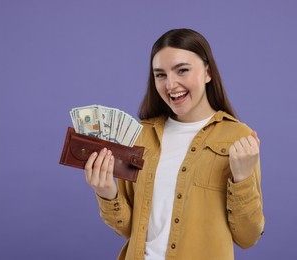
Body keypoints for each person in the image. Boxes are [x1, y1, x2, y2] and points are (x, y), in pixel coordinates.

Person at [84, 28, 265, 259]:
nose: (171, 85)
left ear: (208, 72)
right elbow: (130, 229)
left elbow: (248, 238)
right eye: (160, 75)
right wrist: (107, 192)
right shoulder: (141, 135)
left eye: (182, 70)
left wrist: (242, 179)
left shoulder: (238, 137)